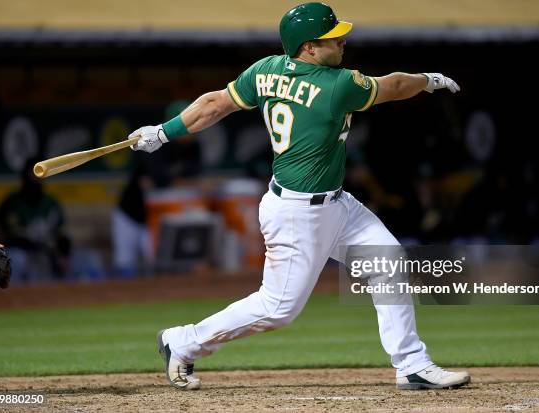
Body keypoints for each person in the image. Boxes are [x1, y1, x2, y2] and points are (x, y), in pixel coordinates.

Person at [130, 2, 469, 391]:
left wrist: (162, 131)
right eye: (331, 38)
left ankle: (412, 364)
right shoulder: (337, 83)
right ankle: (183, 341)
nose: (341, 41)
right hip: (297, 213)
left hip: (337, 205)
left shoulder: (265, 69)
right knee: (278, 309)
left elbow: (213, 105)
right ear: (308, 47)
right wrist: (427, 79)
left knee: (388, 263)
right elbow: (393, 86)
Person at [0, 158, 70, 281]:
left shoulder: (51, 204)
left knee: (46, 261)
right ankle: (10, 297)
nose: (36, 179)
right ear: (24, 176)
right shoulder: (11, 203)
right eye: (33, 174)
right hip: (18, 252)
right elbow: (1, 235)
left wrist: (61, 255)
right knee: (19, 258)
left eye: (40, 174)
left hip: (43, 252)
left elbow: (60, 235)